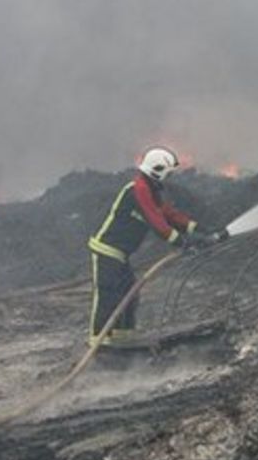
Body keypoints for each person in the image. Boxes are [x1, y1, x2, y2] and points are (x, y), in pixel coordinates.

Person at [86, 146, 228, 347]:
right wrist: (183, 242)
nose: (169, 178)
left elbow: (170, 216)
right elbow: (158, 223)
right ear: (157, 170)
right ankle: (98, 343)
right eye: (167, 173)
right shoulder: (139, 189)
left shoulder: (151, 191)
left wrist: (201, 230)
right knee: (109, 293)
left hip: (121, 254)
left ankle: (121, 337)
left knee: (129, 293)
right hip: (106, 250)